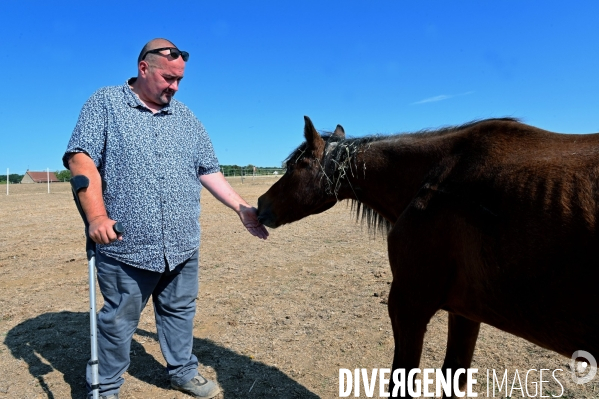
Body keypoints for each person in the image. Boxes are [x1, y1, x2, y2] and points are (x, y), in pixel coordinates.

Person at [63, 38, 269, 399]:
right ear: (145, 68)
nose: (174, 87)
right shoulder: (106, 104)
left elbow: (208, 169)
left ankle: (183, 372)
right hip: (126, 247)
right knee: (118, 322)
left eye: (179, 81)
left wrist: (241, 207)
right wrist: (96, 216)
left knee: (179, 312)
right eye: (168, 79)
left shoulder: (185, 117)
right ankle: (106, 386)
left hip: (181, 244)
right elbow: (81, 160)